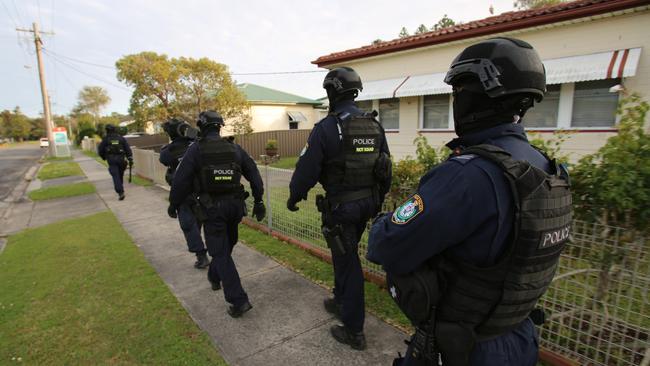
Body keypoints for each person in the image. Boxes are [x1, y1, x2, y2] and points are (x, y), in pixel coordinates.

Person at [367, 37, 572, 366]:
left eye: (459, 91)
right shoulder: (547, 169)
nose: (456, 101)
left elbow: (385, 245)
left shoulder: (469, 175)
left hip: (465, 347)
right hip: (519, 337)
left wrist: (381, 224)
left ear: (481, 93)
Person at [287, 67, 392, 350]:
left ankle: (354, 330)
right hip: (367, 204)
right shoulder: (373, 125)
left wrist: (294, 196)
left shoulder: (327, 127)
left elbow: (306, 170)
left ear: (332, 91)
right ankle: (340, 300)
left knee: (348, 262)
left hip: (343, 208)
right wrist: (377, 200)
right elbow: (386, 168)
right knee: (343, 255)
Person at [168, 110, 266, 317]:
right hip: (234, 208)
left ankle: (238, 301)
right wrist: (258, 200)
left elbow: (180, 180)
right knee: (224, 249)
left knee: (220, 252)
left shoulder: (196, 150)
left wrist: (173, 204)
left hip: (213, 209)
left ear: (201, 127)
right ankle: (214, 276)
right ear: (219, 126)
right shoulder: (234, 148)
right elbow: (254, 175)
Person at [159, 118, 209, 269]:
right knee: (197, 222)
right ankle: (202, 253)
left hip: (183, 193)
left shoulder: (169, 150)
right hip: (201, 191)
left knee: (188, 225)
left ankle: (201, 256)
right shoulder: (196, 143)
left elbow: (164, 159)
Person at [98, 124, 133, 200]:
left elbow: (100, 150)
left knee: (116, 176)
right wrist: (130, 157)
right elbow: (127, 148)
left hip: (111, 161)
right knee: (119, 175)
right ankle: (120, 189)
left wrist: (104, 157)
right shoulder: (121, 138)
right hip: (121, 160)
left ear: (107, 130)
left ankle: (120, 192)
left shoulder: (105, 139)